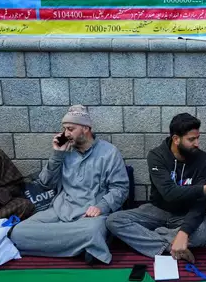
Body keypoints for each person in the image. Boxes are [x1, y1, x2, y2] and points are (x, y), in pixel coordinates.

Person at [106, 113, 206, 263]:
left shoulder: (204, 160)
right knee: (114, 220)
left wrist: (184, 231)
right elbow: (169, 193)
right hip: (158, 209)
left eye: (198, 138)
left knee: (205, 234)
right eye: (191, 139)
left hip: (186, 213)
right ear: (176, 139)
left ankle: (153, 236)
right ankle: (170, 246)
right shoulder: (156, 156)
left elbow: (200, 204)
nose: (197, 143)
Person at [9, 105, 129, 264]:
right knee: (18, 232)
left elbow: (120, 188)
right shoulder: (63, 151)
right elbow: (45, 184)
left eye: (71, 129)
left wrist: (102, 206)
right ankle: (83, 246)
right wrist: (57, 155)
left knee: (92, 231)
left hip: (90, 214)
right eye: (64, 129)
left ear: (86, 128)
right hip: (61, 211)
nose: (66, 134)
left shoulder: (109, 152)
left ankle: (64, 243)